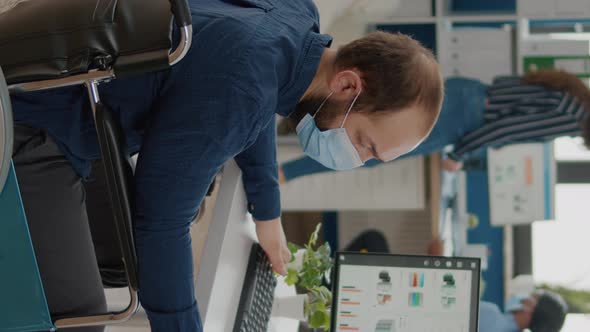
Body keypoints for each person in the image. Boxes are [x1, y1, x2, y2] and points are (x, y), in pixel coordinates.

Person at [9, 0, 444, 331]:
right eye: (365, 145)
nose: (357, 159)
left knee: (123, 263)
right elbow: (159, 224)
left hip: (56, 62)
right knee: (83, 317)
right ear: (347, 83)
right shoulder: (243, 88)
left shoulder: (296, 16)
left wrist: (267, 211)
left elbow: (257, 95)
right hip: (37, 120)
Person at [278, 70, 590, 182]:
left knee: (366, 111)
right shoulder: (571, 118)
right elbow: (506, 130)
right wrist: (460, 155)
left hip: (465, 90)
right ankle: (282, 173)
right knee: (369, 151)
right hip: (460, 120)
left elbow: (505, 85)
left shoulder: (570, 93)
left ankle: (288, 109)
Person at [345, 231, 567, 332]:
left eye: (533, 297)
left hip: (398, 312)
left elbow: (439, 305)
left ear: (531, 308)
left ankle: (331, 286)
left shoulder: (493, 317)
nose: (527, 296)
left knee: (373, 240)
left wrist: (436, 260)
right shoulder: (497, 322)